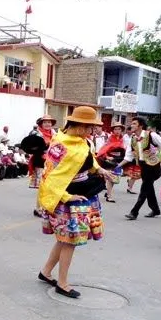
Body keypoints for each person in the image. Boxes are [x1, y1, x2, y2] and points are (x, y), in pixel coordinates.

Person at [38, 106, 113, 298]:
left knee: (64, 240)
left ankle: (46, 272)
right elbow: (49, 176)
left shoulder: (83, 142)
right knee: (69, 240)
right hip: (67, 198)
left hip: (81, 194)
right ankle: (62, 283)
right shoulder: (60, 145)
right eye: (90, 127)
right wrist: (66, 197)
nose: (92, 131)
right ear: (79, 126)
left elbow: (89, 160)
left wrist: (100, 170)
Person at [119, 117, 161, 220]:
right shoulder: (132, 139)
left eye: (134, 123)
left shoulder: (151, 135)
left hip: (154, 166)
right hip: (143, 166)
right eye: (131, 123)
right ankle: (155, 210)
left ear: (140, 125)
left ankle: (134, 212)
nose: (131, 125)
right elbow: (128, 157)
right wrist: (118, 166)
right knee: (148, 187)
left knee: (144, 188)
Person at [22, 115, 56, 216]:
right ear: (41, 124)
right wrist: (41, 150)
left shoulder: (55, 134)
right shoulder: (36, 134)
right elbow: (30, 147)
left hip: (52, 163)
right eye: (45, 122)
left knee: (49, 187)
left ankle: (44, 207)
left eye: (49, 122)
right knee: (42, 186)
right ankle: (39, 208)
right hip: (40, 162)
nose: (47, 124)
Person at [96, 122, 126, 203]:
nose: (117, 131)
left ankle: (108, 192)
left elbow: (124, 150)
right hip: (110, 162)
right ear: (113, 130)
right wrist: (107, 157)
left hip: (118, 160)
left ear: (121, 130)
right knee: (110, 178)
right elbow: (104, 149)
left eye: (119, 129)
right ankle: (109, 196)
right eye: (115, 129)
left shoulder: (123, 139)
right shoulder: (109, 138)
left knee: (114, 179)